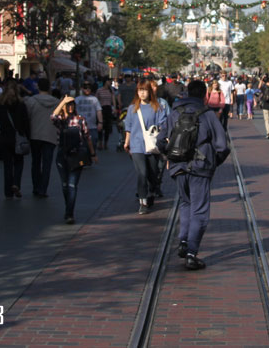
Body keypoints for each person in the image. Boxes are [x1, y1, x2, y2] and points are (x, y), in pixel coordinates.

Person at [154, 79, 228, 271]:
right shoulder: (208, 115)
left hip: (179, 167)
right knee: (200, 211)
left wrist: (169, 156)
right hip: (200, 167)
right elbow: (222, 145)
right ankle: (191, 252)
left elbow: (161, 141)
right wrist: (213, 162)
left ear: (187, 93)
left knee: (185, 204)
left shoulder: (175, 113)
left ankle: (184, 241)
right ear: (204, 95)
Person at [124, 80, 169, 214]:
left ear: (150, 92)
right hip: (137, 145)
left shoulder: (157, 107)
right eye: (140, 90)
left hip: (152, 146)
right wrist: (126, 143)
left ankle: (151, 192)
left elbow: (163, 125)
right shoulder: (132, 108)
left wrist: (165, 140)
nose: (142, 93)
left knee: (153, 174)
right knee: (142, 173)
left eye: (145, 90)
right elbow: (129, 128)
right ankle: (142, 202)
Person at [52, 96, 98, 224]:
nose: (71, 107)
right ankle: (69, 207)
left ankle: (69, 213)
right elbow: (52, 117)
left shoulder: (80, 120)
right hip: (62, 155)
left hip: (76, 155)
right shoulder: (61, 121)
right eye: (68, 105)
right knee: (65, 185)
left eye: (72, 105)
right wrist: (62, 102)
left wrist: (93, 154)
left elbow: (87, 137)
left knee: (72, 185)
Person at [0, 81, 29, 199]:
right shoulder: (21, 104)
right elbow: (26, 122)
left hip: (4, 138)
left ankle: (8, 192)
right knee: (19, 162)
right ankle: (16, 183)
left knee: (7, 165)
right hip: (17, 138)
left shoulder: (1, 105)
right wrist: (28, 137)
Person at [75, 82, 103, 152]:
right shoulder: (77, 99)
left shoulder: (94, 99)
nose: (87, 89)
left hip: (92, 127)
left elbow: (98, 111)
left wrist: (100, 122)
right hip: (80, 127)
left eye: (89, 88)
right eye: (85, 88)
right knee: (81, 146)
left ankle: (90, 157)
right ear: (82, 89)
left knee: (93, 143)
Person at [94, 79, 119, 151]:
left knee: (108, 127)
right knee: (101, 126)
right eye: (109, 81)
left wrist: (114, 108)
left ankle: (106, 143)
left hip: (108, 109)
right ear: (105, 82)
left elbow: (113, 99)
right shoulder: (99, 90)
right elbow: (96, 99)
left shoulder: (111, 90)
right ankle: (100, 142)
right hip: (101, 109)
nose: (110, 83)